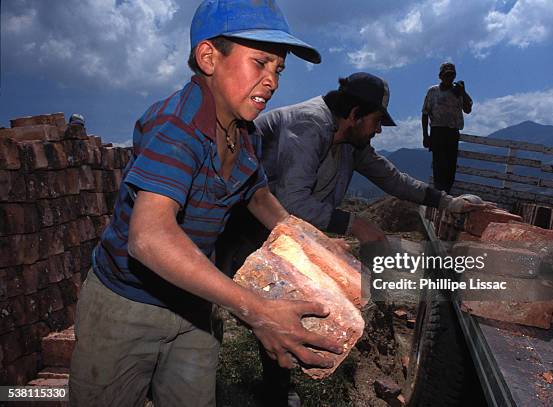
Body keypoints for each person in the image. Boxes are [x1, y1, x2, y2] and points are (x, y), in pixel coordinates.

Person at [68, 1, 343, 406]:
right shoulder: (178, 127)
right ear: (209, 57)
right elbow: (148, 237)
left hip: (194, 307)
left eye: (278, 69)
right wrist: (256, 311)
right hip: (127, 308)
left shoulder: (244, 131)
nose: (272, 81)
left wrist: (309, 243)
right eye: (260, 62)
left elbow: (259, 196)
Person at [215, 72, 489, 406]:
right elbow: (290, 201)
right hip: (244, 225)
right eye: (375, 121)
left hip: (285, 231)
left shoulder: (349, 141)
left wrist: (445, 201)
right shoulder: (308, 126)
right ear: (355, 114)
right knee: (238, 301)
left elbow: (392, 178)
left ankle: (275, 385)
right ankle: (219, 375)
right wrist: (355, 224)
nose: (377, 130)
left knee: (286, 302)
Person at [422, 62, 473, 192]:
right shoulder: (433, 91)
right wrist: (425, 135)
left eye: (451, 75)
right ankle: (440, 194)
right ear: (440, 76)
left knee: (450, 166)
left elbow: (468, 109)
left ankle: (446, 193)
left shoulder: (458, 91)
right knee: (439, 166)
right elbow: (425, 113)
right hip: (437, 132)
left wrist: (463, 92)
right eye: (446, 75)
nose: (449, 77)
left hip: (452, 132)